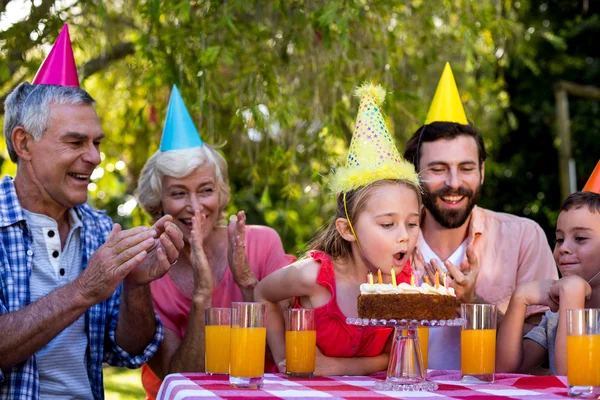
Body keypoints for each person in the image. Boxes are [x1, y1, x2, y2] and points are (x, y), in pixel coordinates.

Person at [0, 25, 183, 399]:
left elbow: (129, 352)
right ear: (24, 143)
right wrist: (84, 290)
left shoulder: (101, 229)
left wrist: (135, 285)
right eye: (75, 141)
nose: (95, 157)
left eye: (96, 142)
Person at [138, 85, 293, 399]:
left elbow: (294, 351)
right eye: (179, 193)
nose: (195, 207)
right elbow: (176, 379)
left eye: (206, 190)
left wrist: (249, 281)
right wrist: (202, 296)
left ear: (221, 195)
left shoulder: (262, 244)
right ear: (159, 202)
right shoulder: (147, 268)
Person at [255, 83, 420, 376]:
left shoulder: (403, 284)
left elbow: (396, 358)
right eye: (387, 224)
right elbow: (262, 293)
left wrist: (332, 366)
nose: (404, 235)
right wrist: (285, 359)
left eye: (412, 223)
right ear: (347, 229)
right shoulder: (314, 276)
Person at [402, 63, 558, 369]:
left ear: (482, 172)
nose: (454, 183)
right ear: (414, 173)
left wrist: (473, 302)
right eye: (437, 169)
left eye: (466, 168)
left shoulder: (523, 237)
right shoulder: (387, 241)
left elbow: (538, 349)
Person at [496, 186, 600, 375]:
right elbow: (505, 370)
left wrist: (571, 294)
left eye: (580, 238)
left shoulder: (568, 303)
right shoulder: (555, 318)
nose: (563, 248)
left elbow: (574, 383)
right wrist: (519, 298)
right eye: (559, 239)